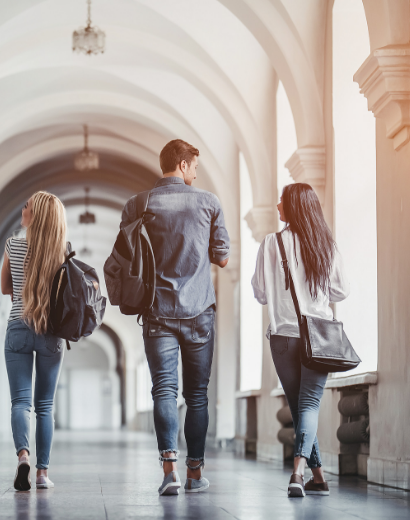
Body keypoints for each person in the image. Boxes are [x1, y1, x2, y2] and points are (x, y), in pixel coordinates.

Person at [119, 139, 230, 496]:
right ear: (182, 165)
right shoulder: (208, 202)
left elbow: (126, 256)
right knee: (197, 396)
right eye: (194, 166)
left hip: (157, 312)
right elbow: (223, 257)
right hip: (199, 312)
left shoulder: (138, 204)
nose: (196, 172)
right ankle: (195, 473)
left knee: (163, 390)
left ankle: (170, 471)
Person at [252, 183, 349, 498]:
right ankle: (310, 475)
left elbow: (261, 293)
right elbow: (341, 291)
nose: (277, 205)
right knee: (306, 407)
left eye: (281, 200)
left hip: (282, 337)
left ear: (293, 207)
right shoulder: (326, 245)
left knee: (299, 407)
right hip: (318, 336)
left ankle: (303, 473)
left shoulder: (271, 243)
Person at [0, 191, 67, 491]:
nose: (22, 209)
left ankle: (23, 457)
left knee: (20, 403)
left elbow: (5, 289)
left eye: (26, 206)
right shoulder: (62, 250)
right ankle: (42, 474)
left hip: (18, 326)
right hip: (51, 332)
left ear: (35, 216)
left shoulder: (12, 244)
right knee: (45, 406)